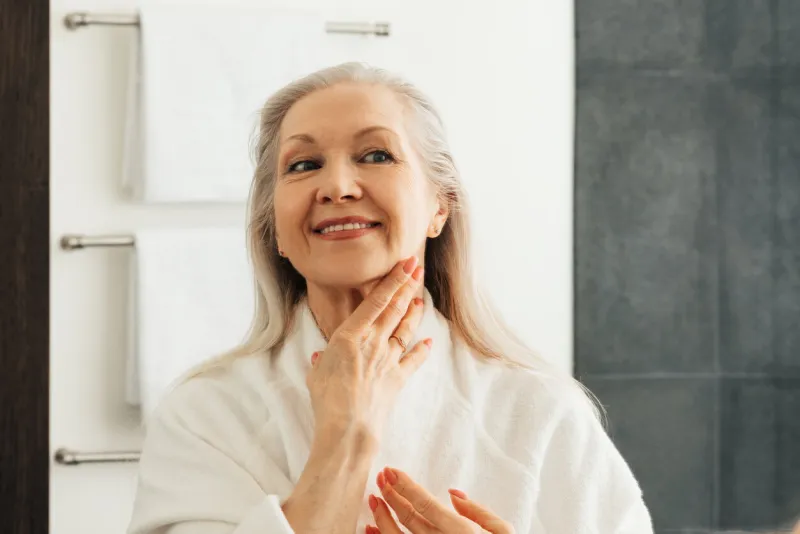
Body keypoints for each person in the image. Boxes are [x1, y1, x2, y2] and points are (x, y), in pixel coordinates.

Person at [126, 62, 653, 534]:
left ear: (439, 207)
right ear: (277, 232)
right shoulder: (206, 414)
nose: (336, 186)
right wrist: (345, 436)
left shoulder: (539, 412)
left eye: (376, 154)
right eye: (303, 165)